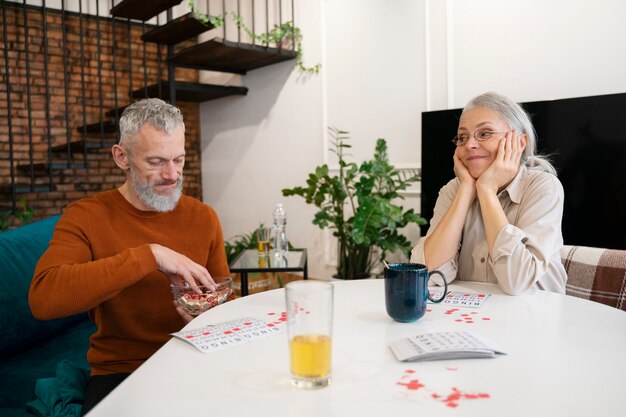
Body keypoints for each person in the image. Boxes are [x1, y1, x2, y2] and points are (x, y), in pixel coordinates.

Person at [29, 98, 230, 414]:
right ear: (121, 157)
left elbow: (220, 298)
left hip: (196, 357)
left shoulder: (204, 217)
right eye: (156, 162)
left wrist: (206, 318)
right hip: (122, 369)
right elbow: (44, 298)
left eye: (179, 160)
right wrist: (150, 255)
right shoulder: (85, 216)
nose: (172, 174)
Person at [411, 92, 567, 295]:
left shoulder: (544, 188)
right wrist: (466, 189)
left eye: (484, 133)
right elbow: (426, 274)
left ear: (519, 143)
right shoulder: (453, 190)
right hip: (473, 318)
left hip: (535, 317)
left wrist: (486, 190)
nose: (469, 145)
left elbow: (517, 281)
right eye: (462, 137)